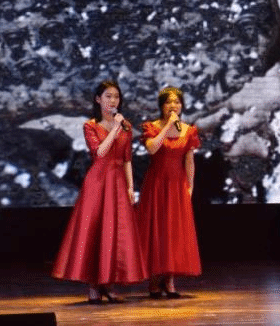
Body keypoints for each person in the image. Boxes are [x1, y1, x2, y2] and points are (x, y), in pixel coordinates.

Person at [51, 80, 147, 302]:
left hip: (118, 183)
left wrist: (131, 186)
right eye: (108, 96)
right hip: (98, 182)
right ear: (98, 99)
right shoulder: (91, 126)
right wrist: (115, 129)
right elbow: (100, 152)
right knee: (95, 231)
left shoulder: (126, 126)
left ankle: (108, 284)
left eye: (116, 96)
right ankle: (93, 285)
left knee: (115, 233)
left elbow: (127, 159)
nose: (113, 101)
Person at [137, 86, 202, 298]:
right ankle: (155, 279)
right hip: (156, 185)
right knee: (157, 231)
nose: (173, 106)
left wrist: (190, 186)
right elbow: (152, 148)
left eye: (177, 102)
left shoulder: (188, 130)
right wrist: (166, 127)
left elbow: (189, 161)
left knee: (174, 231)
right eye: (168, 102)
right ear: (161, 106)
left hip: (177, 185)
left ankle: (170, 278)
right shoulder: (153, 127)